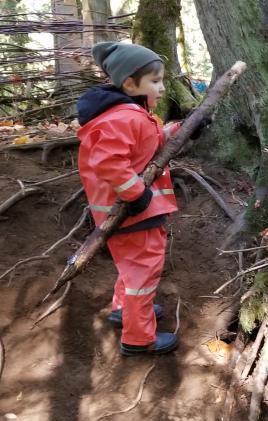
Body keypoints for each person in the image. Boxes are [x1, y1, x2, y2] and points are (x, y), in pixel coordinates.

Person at [76, 42, 179, 356]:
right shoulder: (124, 117)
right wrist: (136, 194)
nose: (162, 88)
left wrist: (174, 132)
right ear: (130, 84)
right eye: (155, 81)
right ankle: (139, 338)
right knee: (144, 273)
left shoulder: (128, 114)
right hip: (134, 213)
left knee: (132, 269)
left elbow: (141, 146)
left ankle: (123, 309)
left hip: (126, 213)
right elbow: (109, 162)